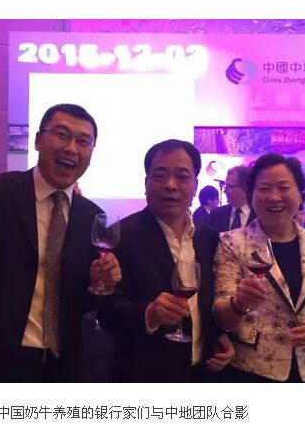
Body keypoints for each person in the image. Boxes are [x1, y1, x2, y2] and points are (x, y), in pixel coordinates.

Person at [0, 104, 121, 382]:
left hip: (62, 364)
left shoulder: (92, 217)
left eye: (83, 141)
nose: (71, 148)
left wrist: (100, 284)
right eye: (62, 135)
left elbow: (82, 303)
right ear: (38, 140)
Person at [98, 140, 234, 382]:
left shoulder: (210, 238)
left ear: (195, 186)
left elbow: (210, 304)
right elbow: (107, 314)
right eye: (160, 176)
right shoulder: (120, 236)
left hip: (203, 376)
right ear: (146, 183)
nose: (170, 185)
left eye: (182, 177)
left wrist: (220, 336)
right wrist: (149, 314)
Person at [212, 153, 305, 382]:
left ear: (300, 194)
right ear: (251, 196)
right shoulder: (232, 243)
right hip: (251, 372)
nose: (274, 197)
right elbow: (221, 318)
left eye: (284, 187)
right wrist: (238, 304)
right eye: (264, 188)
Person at [210, 165, 256, 233]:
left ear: (245, 187)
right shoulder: (216, 214)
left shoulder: (259, 215)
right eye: (226, 186)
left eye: (230, 187)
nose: (225, 191)